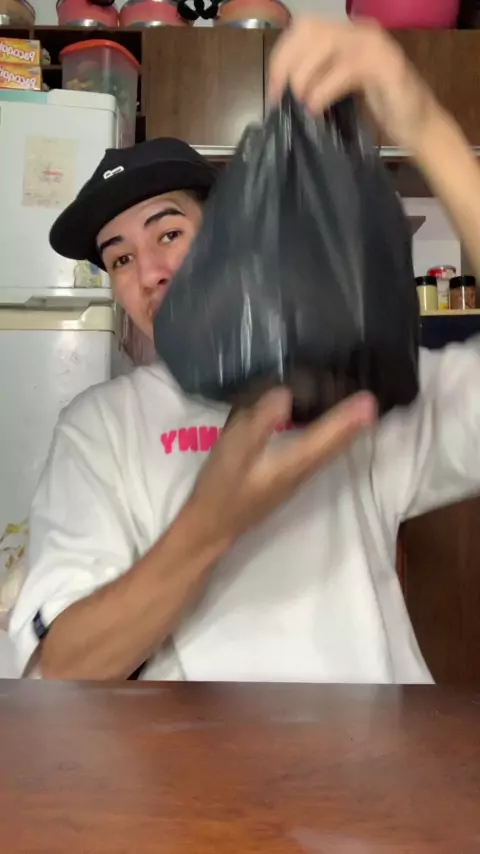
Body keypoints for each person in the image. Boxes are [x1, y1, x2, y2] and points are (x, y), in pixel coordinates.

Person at [9, 17, 480, 682]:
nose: (149, 273)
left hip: (374, 744)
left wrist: (426, 126)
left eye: (168, 233)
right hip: (192, 753)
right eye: (119, 258)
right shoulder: (99, 429)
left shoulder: (343, 376)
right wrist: (211, 524)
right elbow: (58, 671)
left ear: (227, 242)